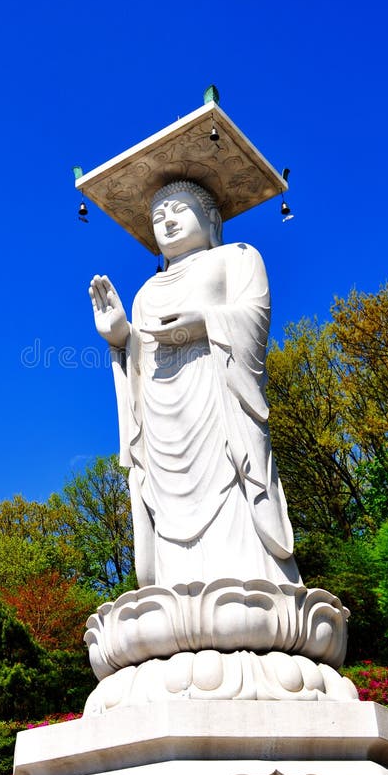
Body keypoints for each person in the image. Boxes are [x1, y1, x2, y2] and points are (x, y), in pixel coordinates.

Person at [89, 180, 301, 589]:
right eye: (157, 217)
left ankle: (251, 582)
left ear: (212, 219)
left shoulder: (235, 258)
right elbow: (141, 361)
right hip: (164, 424)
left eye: (179, 210)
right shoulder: (147, 291)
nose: (166, 221)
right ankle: (176, 589)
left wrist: (204, 322)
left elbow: (254, 317)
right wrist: (119, 336)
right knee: (167, 506)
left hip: (218, 405)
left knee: (232, 493)